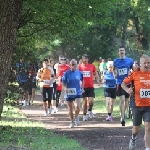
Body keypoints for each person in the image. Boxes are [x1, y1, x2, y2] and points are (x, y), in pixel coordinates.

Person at [121, 54, 150, 150]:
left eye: (148, 63)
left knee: (148, 126)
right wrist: (127, 90)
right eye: (144, 63)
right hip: (136, 104)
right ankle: (133, 138)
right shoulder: (135, 73)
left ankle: (147, 148)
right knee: (136, 129)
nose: (146, 65)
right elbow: (123, 83)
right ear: (140, 64)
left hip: (148, 105)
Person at [113, 46, 134, 126]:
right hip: (119, 83)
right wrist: (114, 74)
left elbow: (133, 70)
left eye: (123, 50)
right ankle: (122, 117)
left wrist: (131, 73)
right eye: (120, 51)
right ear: (118, 52)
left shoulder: (130, 60)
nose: (121, 52)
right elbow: (114, 70)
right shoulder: (116, 61)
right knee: (121, 100)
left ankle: (124, 112)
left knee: (126, 100)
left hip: (128, 83)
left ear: (125, 52)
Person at [62, 59, 84, 128]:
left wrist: (82, 88)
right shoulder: (66, 73)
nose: (72, 66)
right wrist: (65, 88)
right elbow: (63, 82)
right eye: (71, 64)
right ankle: (72, 121)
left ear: (76, 65)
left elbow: (82, 80)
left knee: (77, 106)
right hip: (69, 92)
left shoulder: (79, 73)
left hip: (77, 92)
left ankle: (76, 116)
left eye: (74, 64)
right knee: (70, 108)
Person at [79, 54, 100, 121]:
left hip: (90, 86)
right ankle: (84, 115)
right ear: (82, 60)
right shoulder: (80, 67)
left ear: (88, 59)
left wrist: (97, 79)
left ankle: (90, 110)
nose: (85, 61)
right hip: (83, 87)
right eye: (84, 59)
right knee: (84, 101)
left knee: (91, 101)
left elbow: (95, 73)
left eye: (86, 59)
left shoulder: (91, 66)